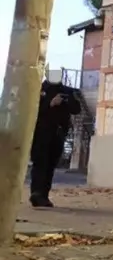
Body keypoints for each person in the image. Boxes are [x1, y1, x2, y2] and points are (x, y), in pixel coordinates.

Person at [29, 80, 82, 208]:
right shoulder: (38, 89)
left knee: (50, 165)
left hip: (58, 132)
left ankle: (44, 195)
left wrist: (67, 100)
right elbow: (31, 110)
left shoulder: (66, 91)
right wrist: (50, 104)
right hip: (40, 133)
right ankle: (36, 193)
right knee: (40, 163)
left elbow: (76, 109)